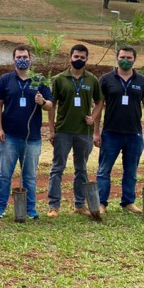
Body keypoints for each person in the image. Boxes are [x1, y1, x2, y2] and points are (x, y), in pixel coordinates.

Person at [95, 46, 144, 214]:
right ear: (117, 58)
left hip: (134, 134)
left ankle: (128, 202)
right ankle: (101, 203)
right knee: (103, 171)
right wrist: (96, 132)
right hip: (110, 133)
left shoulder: (142, 81)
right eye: (122, 57)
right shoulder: (106, 79)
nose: (125, 60)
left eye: (129, 57)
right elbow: (98, 107)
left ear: (134, 60)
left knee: (131, 171)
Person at [0, 44, 53, 220]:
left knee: (30, 177)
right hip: (9, 136)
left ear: (30, 59)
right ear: (13, 59)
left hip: (31, 138)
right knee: (4, 174)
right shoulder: (6, 79)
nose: (22, 60)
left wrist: (42, 102)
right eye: (19, 57)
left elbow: (50, 105)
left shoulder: (39, 79)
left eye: (25, 57)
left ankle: (30, 208)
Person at [46, 44, 103, 218]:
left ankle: (79, 204)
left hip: (83, 132)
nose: (79, 60)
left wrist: (93, 118)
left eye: (82, 57)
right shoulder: (59, 79)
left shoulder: (92, 79)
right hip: (63, 131)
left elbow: (100, 102)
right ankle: (53, 206)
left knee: (81, 169)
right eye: (76, 56)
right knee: (57, 168)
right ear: (70, 57)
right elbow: (51, 105)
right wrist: (51, 129)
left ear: (87, 59)